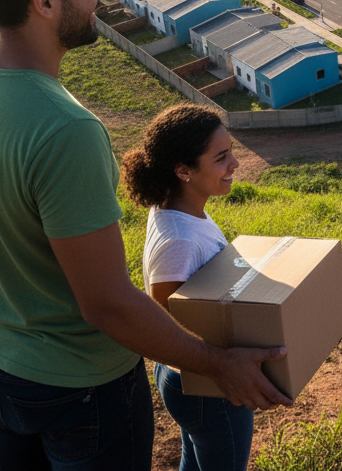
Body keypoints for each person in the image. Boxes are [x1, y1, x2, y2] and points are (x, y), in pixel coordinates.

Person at [0, 0, 290, 471]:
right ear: (45, 2)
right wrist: (216, 363)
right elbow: (108, 305)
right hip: (81, 387)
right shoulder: (65, 129)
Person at [123, 103, 254, 471]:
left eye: (231, 151)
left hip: (193, 378)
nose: (235, 164)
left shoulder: (183, 209)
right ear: (183, 171)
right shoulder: (179, 240)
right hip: (203, 384)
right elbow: (166, 323)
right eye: (221, 157)